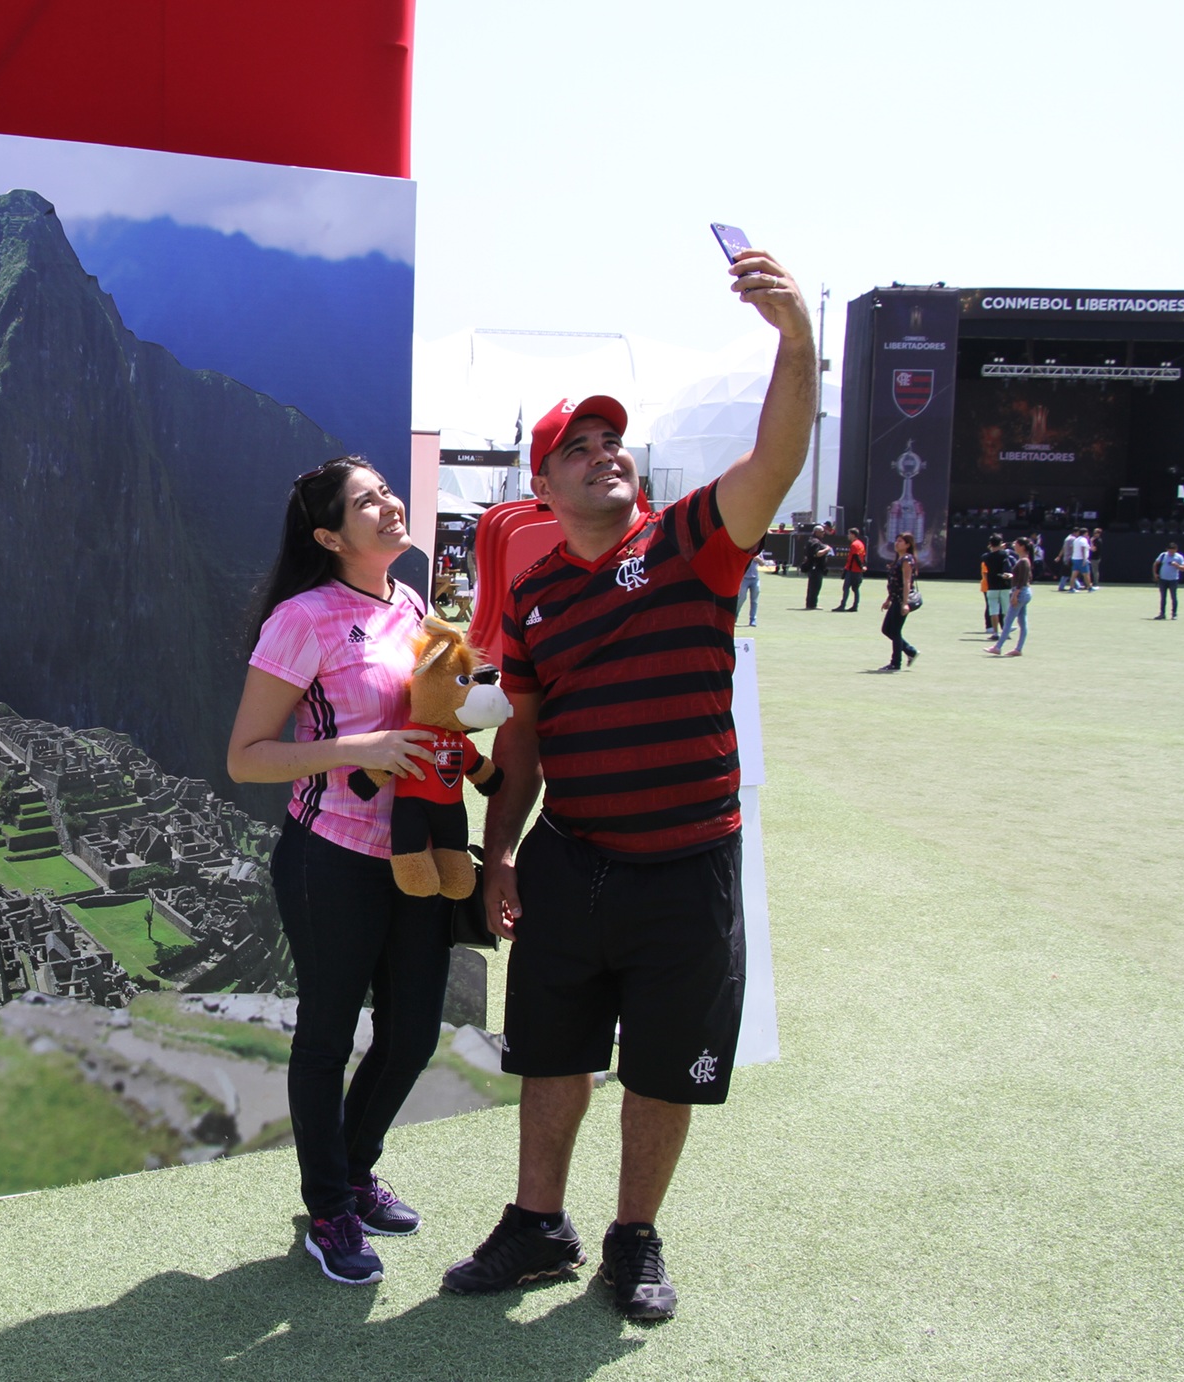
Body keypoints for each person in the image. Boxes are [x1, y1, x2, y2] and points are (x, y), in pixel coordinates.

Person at [439, 246, 816, 1321]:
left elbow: (776, 459)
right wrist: (502, 848)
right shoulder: (539, 598)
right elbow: (525, 741)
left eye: (612, 442)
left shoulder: (697, 540)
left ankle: (632, 1237)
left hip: (685, 867)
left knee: (661, 1069)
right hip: (572, 861)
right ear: (541, 484)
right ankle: (536, 1225)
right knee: (552, 1051)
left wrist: (796, 339)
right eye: (577, 445)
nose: (602, 453)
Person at [227, 457, 453, 1288]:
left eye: (387, 491)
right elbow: (245, 759)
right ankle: (328, 1208)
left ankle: (355, 1170)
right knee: (326, 1037)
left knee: (412, 1034)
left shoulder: (412, 605)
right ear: (328, 536)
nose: (389, 505)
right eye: (367, 502)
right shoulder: (302, 619)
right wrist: (354, 750)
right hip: (330, 856)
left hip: (414, 855)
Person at [879, 533, 919, 670]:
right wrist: (888, 599)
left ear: (908, 545)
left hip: (902, 599)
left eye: (900, 541)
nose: (897, 543)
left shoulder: (907, 559)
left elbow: (907, 582)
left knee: (895, 630)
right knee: (886, 629)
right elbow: (894, 584)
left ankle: (896, 663)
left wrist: (905, 602)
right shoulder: (899, 559)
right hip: (896, 598)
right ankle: (910, 651)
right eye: (896, 540)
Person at [990, 535, 1032, 655]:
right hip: (1024, 592)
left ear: (1022, 546)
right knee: (1022, 622)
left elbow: (1023, 580)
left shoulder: (1023, 561)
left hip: (1020, 592)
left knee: (1008, 621)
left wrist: (1015, 594)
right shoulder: (1024, 560)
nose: (1014, 545)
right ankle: (1018, 649)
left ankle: (998, 647)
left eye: (1016, 544)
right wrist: (1011, 576)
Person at [980, 534, 1013, 641]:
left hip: (992, 586)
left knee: (993, 610)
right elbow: (1006, 555)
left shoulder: (986, 557)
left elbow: (989, 554)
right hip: (1004, 585)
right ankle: (1006, 632)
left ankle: (995, 632)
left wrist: (995, 547)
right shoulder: (1004, 554)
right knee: (1006, 610)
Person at [831, 528, 865, 611]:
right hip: (857, 571)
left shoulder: (854, 545)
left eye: (849, 534)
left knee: (846, 588)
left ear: (853, 535)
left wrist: (860, 566)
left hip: (852, 570)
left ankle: (842, 605)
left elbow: (856, 557)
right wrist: (863, 566)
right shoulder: (861, 544)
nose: (848, 536)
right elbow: (863, 556)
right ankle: (855, 606)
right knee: (855, 589)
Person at [800, 529, 833, 609]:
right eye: (821, 532)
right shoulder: (815, 542)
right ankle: (812, 605)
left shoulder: (813, 541)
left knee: (813, 587)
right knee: (815, 587)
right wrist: (826, 549)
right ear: (816, 532)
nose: (823, 533)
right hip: (815, 567)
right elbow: (817, 554)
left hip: (815, 567)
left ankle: (811, 604)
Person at [1153, 540, 1184, 619]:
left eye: (1173, 551)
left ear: (1176, 550)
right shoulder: (1163, 555)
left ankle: (1174, 614)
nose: (1171, 552)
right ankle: (1162, 614)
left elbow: (1183, 568)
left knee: (1173, 597)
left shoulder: (1179, 557)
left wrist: (1176, 565)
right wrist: (1155, 574)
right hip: (1163, 579)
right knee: (1163, 597)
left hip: (1173, 580)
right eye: (1170, 550)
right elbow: (1155, 564)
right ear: (1167, 549)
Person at [740, 552, 761, 626]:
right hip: (744, 579)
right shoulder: (743, 550)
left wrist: (758, 559)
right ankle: (735, 617)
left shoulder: (757, 552)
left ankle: (753, 619)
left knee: (754, 600)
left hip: (755, 579)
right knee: (741, 599)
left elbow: (763, 563)